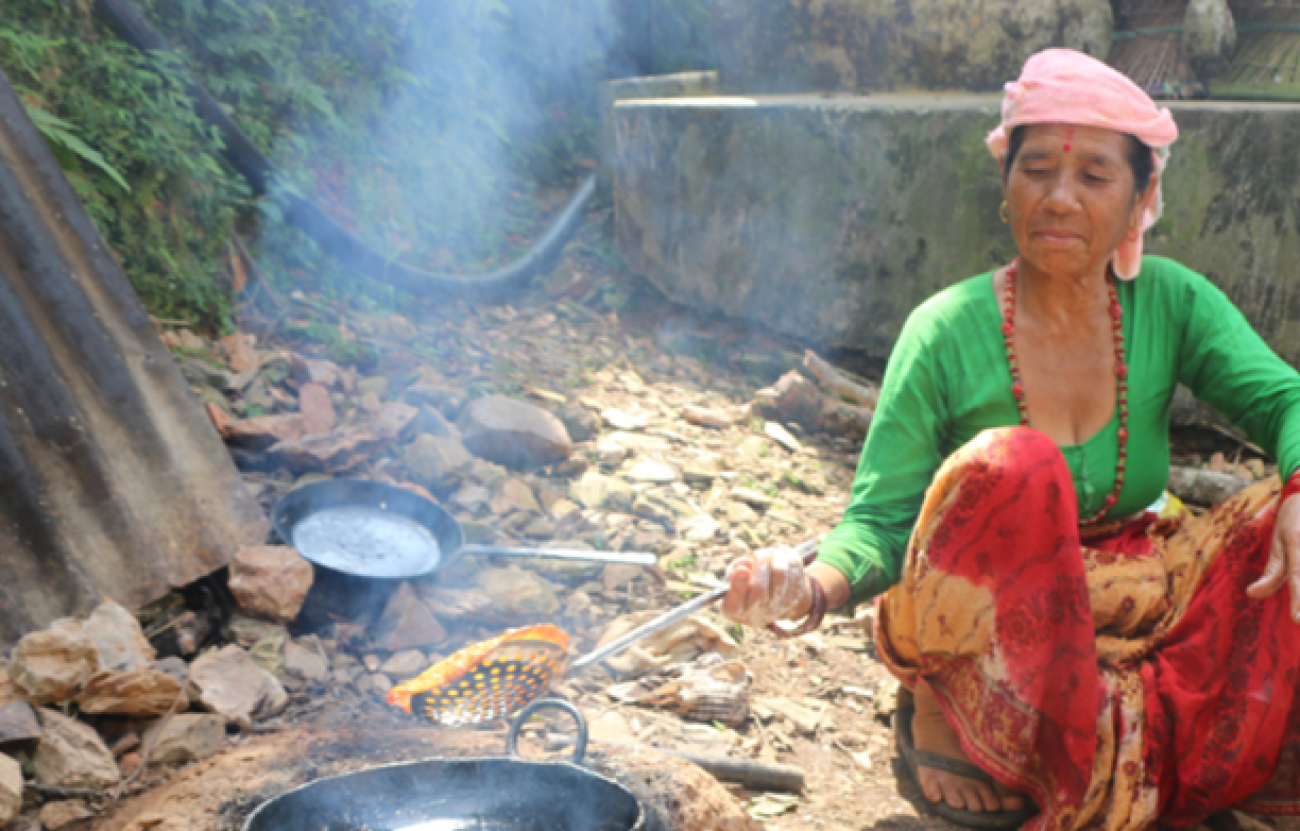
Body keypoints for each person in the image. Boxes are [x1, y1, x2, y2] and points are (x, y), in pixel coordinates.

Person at [722, 48, 1300, 831]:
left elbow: (1286, 401)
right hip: (980, 613)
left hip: (1133, 595)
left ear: (1141, 201)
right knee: (1017, 463)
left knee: (1279, 518)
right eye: (1036, 171)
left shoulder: (1173, 302)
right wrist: (810, 587)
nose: (1060, 198)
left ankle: (1102, 729)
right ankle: (943, 705)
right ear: (1004, 190)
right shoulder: (944, 328)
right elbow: (882, 519)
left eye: (1095, 176)